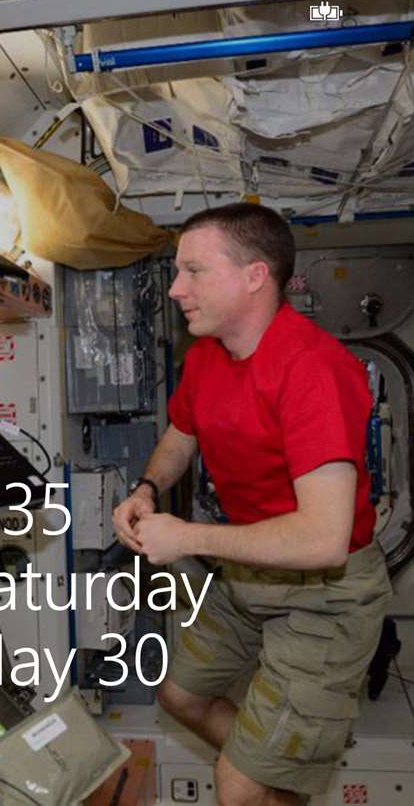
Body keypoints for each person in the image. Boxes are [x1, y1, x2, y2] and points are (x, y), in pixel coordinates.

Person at [112, 203, 392, 806]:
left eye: (193, 271)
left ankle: (258, 775)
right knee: (179, 697)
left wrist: (186, 537)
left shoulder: (312, 369)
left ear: (255, 276)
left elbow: (323, 539)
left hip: (326, 595)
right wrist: (146, 489)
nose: (176, 289)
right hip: (248, 574)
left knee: (237, 786)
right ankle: (272, 775)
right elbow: (181, 436)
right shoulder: (206, 355)